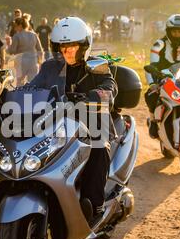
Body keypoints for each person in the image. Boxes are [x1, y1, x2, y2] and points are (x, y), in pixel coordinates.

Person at [26, 16, 118, 226]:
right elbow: (34, 86)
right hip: (57, 120)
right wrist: (14, 96)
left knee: (98, 147)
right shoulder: (50, 66)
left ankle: (95, 205)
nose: (67, 51)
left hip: (92, 119)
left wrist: (96, 95)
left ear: (84, 45)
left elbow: (110, 86)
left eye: (73, 46)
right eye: (62, 46)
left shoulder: (97, 65)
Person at [6, 17, 43, 86]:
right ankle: (31, 96)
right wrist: (40, 62)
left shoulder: (17, 36)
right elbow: (40, 50)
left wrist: (8, 44)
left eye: (15, 26)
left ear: (20, 26)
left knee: (20, 83)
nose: (14, 28)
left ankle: (21, 96)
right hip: (33, 62)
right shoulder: (34, 35)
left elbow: (12, 51)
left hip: (21, 62)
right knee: (32, 83)